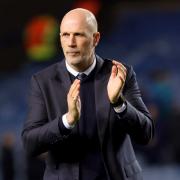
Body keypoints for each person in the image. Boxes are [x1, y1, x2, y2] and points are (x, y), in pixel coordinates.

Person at [22, 8, 154, 180]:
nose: (71, 43)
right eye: (65, 35)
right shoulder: (43, 81)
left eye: (79, 34)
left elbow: (145, 134)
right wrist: (66, 121)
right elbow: (30, 144)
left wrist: (119, 104)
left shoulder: (120, 74)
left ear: (95, 39)